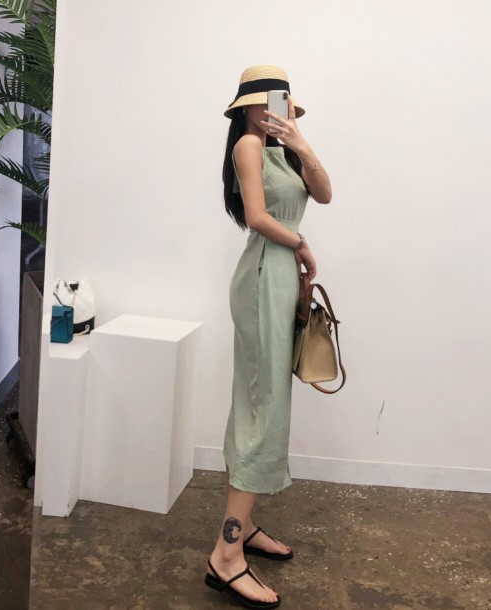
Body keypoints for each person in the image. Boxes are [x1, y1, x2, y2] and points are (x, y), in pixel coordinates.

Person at [204, 65, 332, 609]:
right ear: (247, 107)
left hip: (278, 277)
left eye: (282, 100)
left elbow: (325, 193)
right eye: (266, 100)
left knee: (259, 400)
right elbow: (257, 216)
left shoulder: (283, 149)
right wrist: (300, 244)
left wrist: (300, 142)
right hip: (263, 277)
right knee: (264, 406)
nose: (274, 108)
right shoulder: (249, 146)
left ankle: (245, 524)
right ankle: (226, 554)